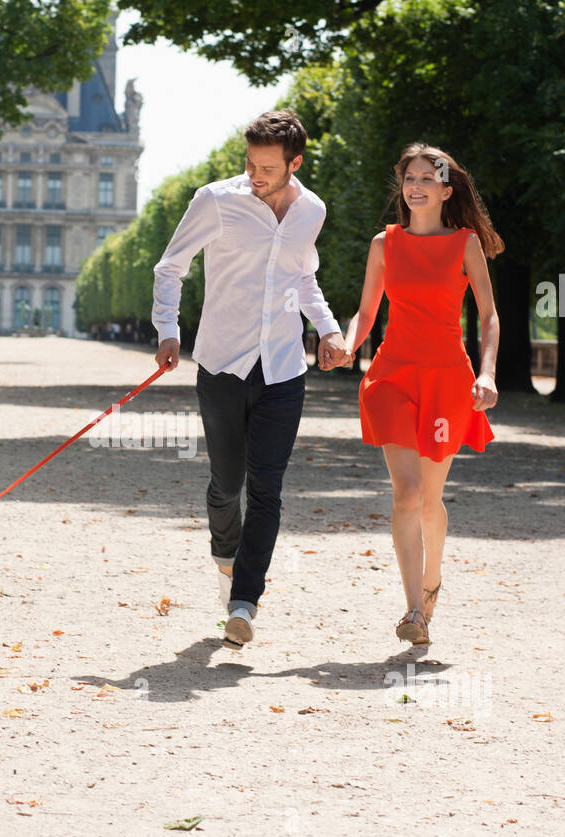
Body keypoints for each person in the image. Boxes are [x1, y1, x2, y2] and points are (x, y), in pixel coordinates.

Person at [153, 109, 349, 650]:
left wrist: (329, 330)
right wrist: (168, 330)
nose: (256, 176)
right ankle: (226, 560)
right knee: (226, 484)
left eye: (268, 168)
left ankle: (244, 602)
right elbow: (170, 267)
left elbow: (304, 278)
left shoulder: (311, 211)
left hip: (284, 368)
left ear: (295, 163)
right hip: (222, 364)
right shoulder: (216, 200)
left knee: (267, 488)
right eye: (250, 164)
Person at [322, 143, 503, 646]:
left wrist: (487, 373)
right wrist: (348, 344)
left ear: (446, 190)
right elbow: (367, 312)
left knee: (429, 502)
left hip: (446, 381)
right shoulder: (385, 244)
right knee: (406, 493)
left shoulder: (465, 244)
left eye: (427, 178)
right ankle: (413, 612)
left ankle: (432, 579)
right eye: (409, 178)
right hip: (393, 378)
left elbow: (489, 315)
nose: (415, 186)